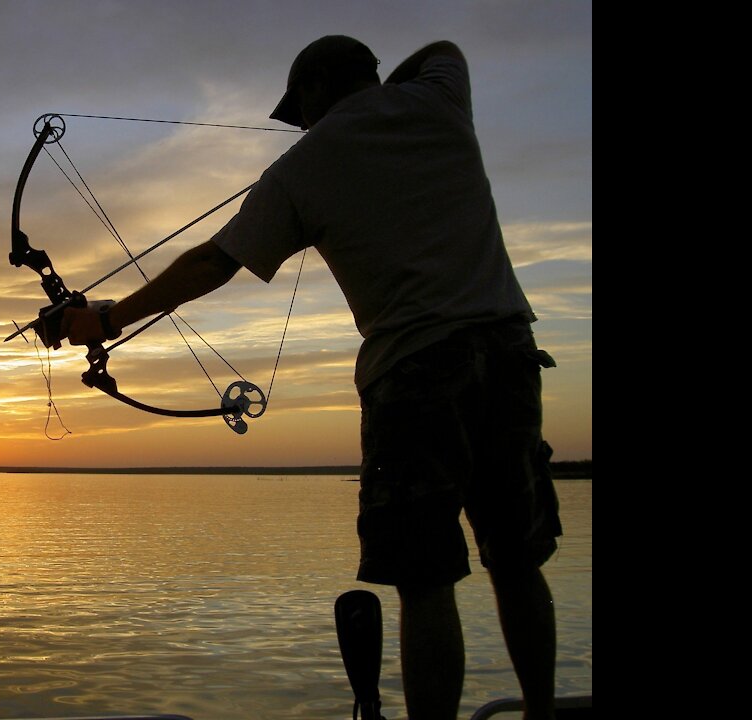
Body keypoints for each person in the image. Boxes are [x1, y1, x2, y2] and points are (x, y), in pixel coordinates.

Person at [44, 35, 563, 720]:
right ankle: (543, 714)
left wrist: (104, 322)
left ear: (318, 87)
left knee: (425, 578)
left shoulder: (301, 168)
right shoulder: (440, 96)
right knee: (517, 559)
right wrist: (385, 93)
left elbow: (211, 264)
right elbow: (442, 48)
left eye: (302, 109)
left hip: (415, 373)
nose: (303, 124)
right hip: (509, 355)